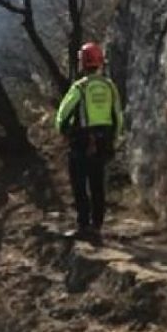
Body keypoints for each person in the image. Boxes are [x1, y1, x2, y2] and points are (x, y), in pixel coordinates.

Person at [55, 41, 124, 241]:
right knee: (97, 184)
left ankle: (83, 224)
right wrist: (113, 138)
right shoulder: (109, 86)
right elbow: (118, 116)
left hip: (81, 142)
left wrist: (63, 131)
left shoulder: (80, 87)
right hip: (103, 142)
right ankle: (97, 225)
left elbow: (63, 114)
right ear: (100, 62)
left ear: (82, 63)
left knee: (79, 184)